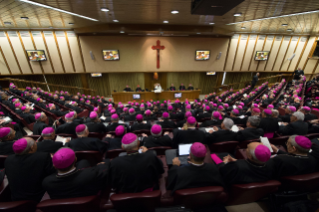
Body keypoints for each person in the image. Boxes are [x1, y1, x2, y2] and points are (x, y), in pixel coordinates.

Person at [42, 148, 109, 199]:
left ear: (54, 166)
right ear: (75, 160)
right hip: (87, 207)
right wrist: (104, 164)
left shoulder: (47, 182)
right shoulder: (90, 174)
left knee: (83, 162)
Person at [5, 137, 55, 202]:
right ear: (31, 148)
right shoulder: (43, 157)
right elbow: (53, 173)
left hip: (16, 200)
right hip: (40, 198)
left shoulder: (8, 159)